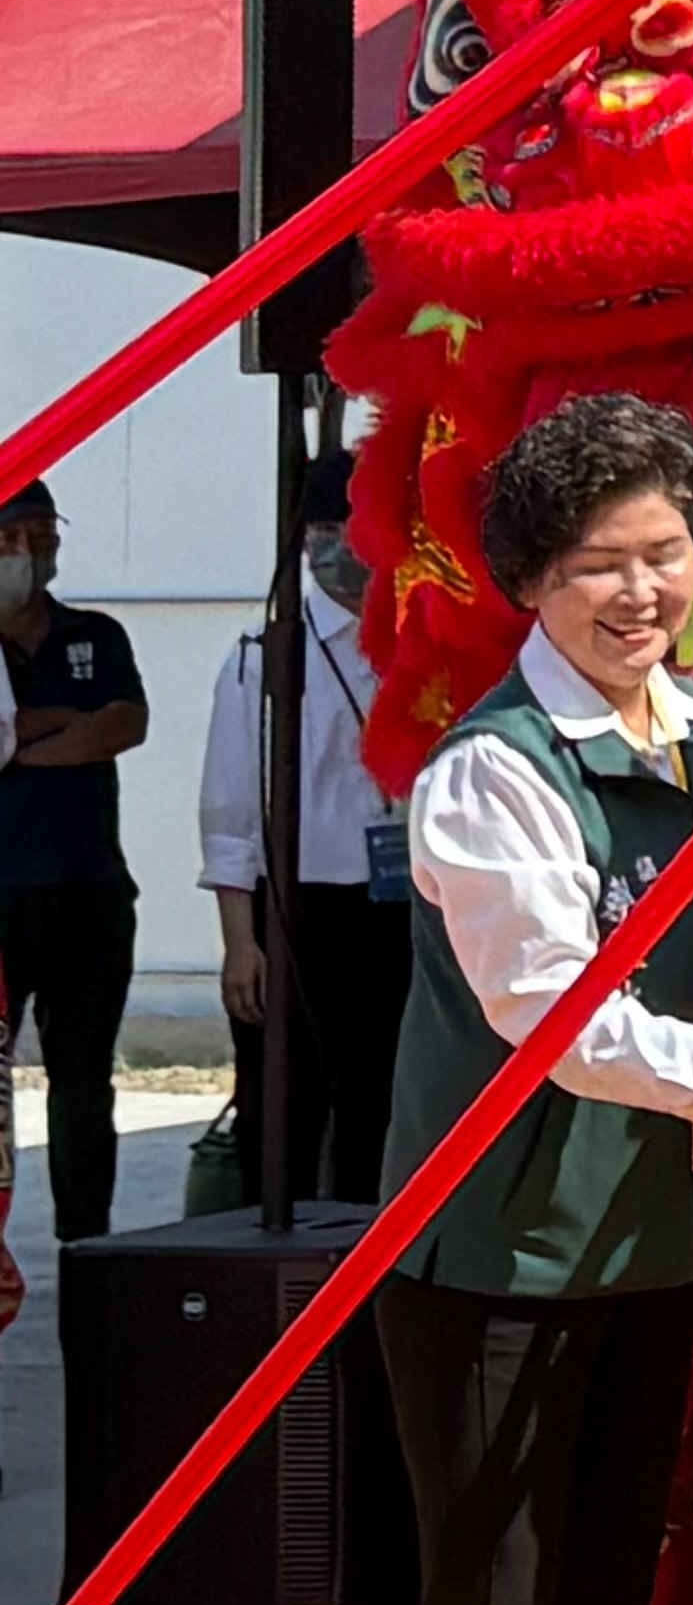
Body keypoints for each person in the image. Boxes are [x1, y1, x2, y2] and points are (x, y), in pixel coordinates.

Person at [375, 395, 693, 1605]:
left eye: (666, 555)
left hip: (653, 1236)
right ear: (532, 580)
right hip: (505, 1249)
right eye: (598, 567)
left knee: (607, 1583)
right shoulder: (495, 771)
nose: (641, 594)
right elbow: (563, 1027)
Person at [191, 512, 405, 1205]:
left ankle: (366, 1279)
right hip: (293, 909)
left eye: (357, 526)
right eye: (326, 531)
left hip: (397, 907)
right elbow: (230, 810)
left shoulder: (416, 636)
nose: (345, 548)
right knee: (283, 1108)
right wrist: (239, 943)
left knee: (382, 1105)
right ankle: (278, 1281)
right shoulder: (264, 652)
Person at [0, 476, 148, 1241]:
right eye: (13, 536)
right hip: (3, 895)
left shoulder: (95, 634)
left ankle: (86, 1243)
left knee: (84, 1083)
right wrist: (64, 724)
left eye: (42, 532)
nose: (30, 550)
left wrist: (24, 740)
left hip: (88, 891)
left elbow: (121, 723)